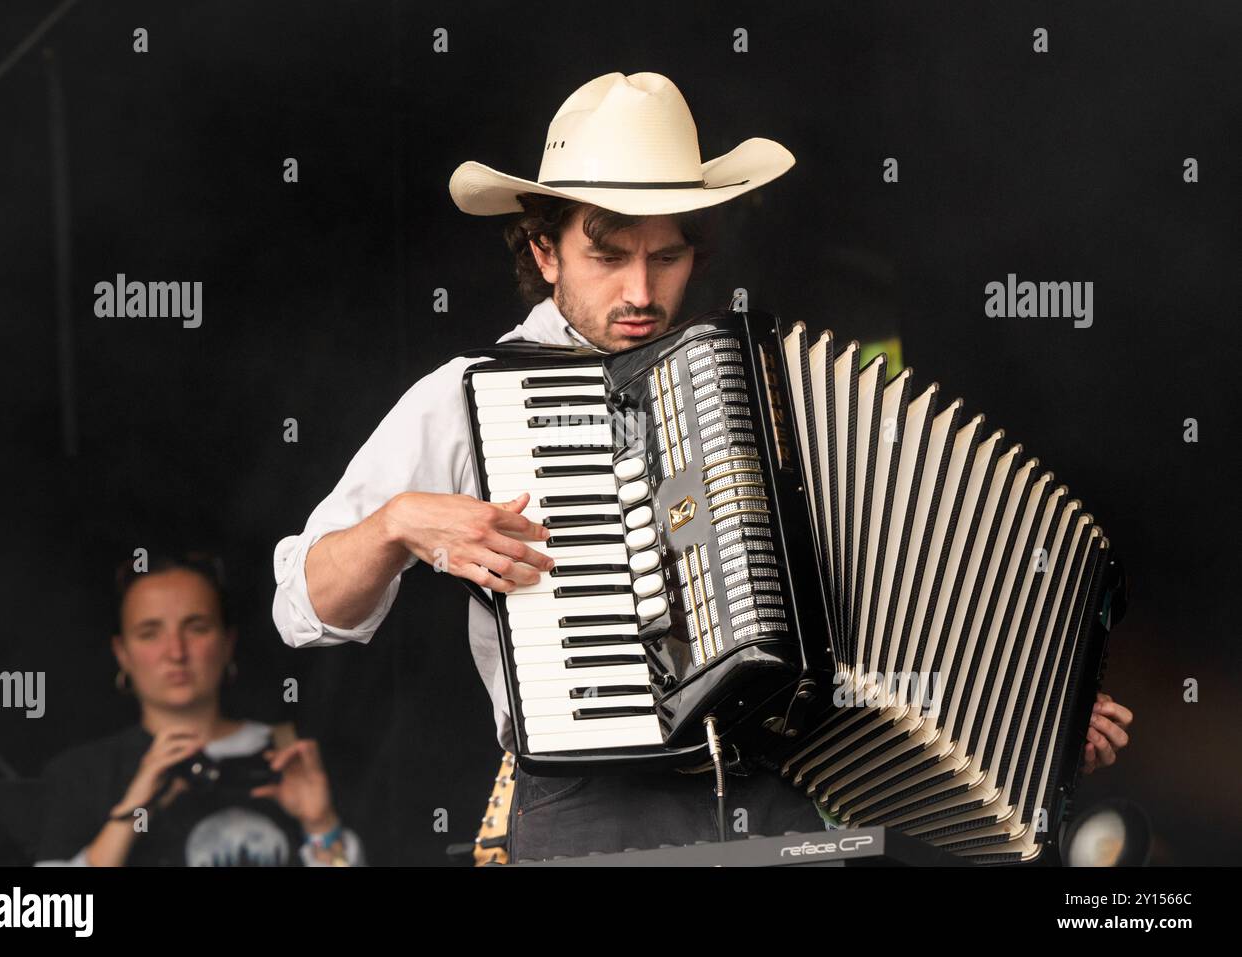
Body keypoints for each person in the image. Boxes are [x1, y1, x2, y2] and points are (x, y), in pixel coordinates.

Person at [272, 71, 1132, 861]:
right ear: (543, 251)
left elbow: (886, 597)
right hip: (593, 810)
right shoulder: (472, 394)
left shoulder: (763, 391)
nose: (641, 292)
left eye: (667, 256)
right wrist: (396, 524)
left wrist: (1029, 715)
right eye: (608, 255)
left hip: (785, 794)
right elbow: (302, 607)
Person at [37, 553, 364, 866]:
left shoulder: (293, 756)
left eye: (197, 628)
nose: (176, 652)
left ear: (227, 643)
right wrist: (133, 810)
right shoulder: (81, 775)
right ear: (122, 653)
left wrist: (320, 824)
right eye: (150, 634)